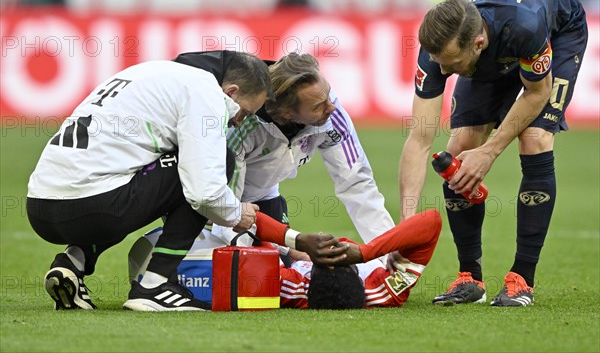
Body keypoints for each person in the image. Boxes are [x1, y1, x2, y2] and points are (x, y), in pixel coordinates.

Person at [27, 50, 347, 312]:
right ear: (231, 92)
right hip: (94, 205)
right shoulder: (205, 95)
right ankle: (153, 286)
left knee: (141, 177)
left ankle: (74, 260)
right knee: (213, 164)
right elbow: (205, 194)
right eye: (245, 112)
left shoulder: (157, 72)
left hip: (41, 207)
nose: (240, 121)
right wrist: (237, 213)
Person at [398, 0, 588, 306]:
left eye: (451, 64)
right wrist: (406, 224)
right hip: (493, 44)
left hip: (558, 34)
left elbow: (535, 93)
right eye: (440, 64)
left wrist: (490, 151)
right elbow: (419, 139)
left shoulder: (525, 27)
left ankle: (522, 280)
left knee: (535, 137)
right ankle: (469, 277)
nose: (443, 73)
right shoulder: (438, 47)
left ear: (478, 43)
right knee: (459, 149)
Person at [212, 52, 396, 263]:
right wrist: (289, 249)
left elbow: (357, 183)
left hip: (265, 199)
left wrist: (387, 252)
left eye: (327, 94)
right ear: (288, 113)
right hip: (215, 203)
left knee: (279, 273)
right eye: (318, 106)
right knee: (245, 274)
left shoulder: (330, 113)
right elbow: (226, 211)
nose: (332, 107)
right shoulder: (242, 127)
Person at [253, 209, 442, 309]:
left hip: (292, 259)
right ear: (361, 276)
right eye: (340, 255)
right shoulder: (382, 290)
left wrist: (296, 246)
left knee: (255, 208)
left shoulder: (290, 287)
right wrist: (365, 252)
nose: (333, 247)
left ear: (307, 277)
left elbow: (250, 222)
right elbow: (431, 220)